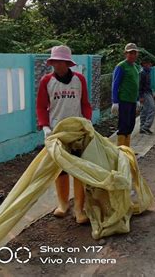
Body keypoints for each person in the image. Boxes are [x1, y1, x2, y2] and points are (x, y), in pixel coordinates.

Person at [36, 45, 92, 224]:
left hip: (76, 130)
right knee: (60, 169)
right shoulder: (47, 81)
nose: (57, 65)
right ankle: (62, 204)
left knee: (78, 169)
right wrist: (45, 127)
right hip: (57, 131)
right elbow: (41, 106)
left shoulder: (79, 80)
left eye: (61, 61)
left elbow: (85, 103)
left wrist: (87, 121)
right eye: (54, 62)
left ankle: (79, 209)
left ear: (67, 63)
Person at [111, 43, 140, 148]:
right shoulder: (121, 66)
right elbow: (115, 84)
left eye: (134, 53)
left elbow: (136, 84)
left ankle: (127, 148)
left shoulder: (135, 67)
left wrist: (137, 100)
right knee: (123, 126)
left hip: (132, 101)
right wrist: (115, 101)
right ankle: (121, 149)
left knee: (131, 125)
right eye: (130, 53)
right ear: (125, 54)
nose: (132, 55)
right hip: (124, 100)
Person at [139, 58, 155, 134]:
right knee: (152, 109)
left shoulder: (147, 72)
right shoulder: (142, 73)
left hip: (148, 92)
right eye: (149, 63)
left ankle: (142, 127)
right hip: (144, 93)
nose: (150, 65)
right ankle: (145, 127)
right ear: (144, 64)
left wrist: (151, 94)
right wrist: (141, 96)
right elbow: (140, 85)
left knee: (144, 110)